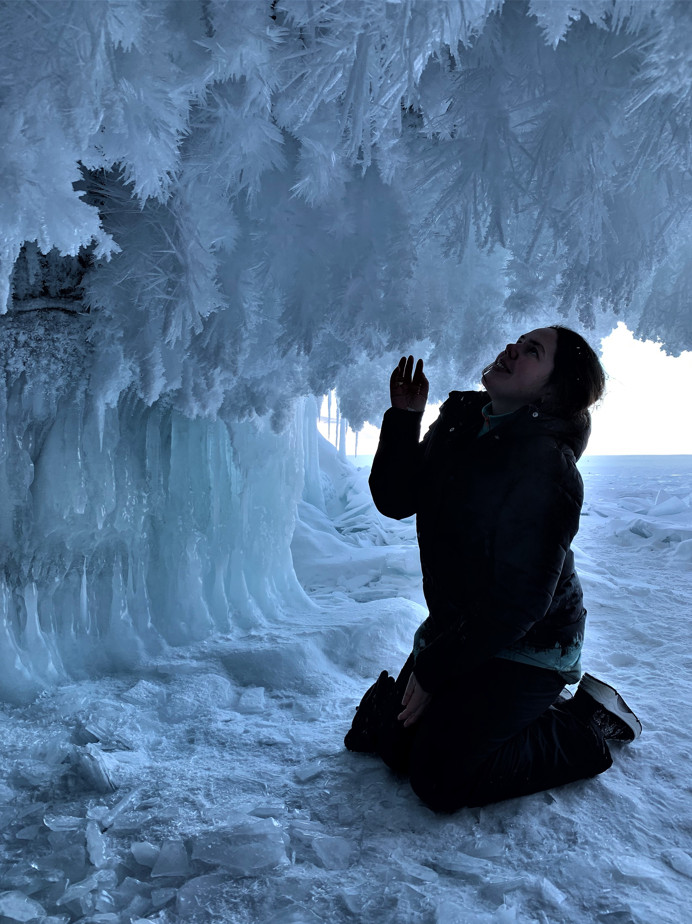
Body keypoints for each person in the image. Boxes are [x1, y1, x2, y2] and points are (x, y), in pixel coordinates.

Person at [345, 326, 641, 812]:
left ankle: (583, 724)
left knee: (438, 780)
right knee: (397, 748)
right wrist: (405, 418)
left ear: (553, 390)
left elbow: (520, 602)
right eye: (518, 342)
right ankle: (488, 713)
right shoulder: (462, 422)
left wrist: (436, 669)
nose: (512, 349)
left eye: (533, 352)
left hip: (531, 642)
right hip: (463, 629)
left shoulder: (548, 467)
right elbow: (396, 500)